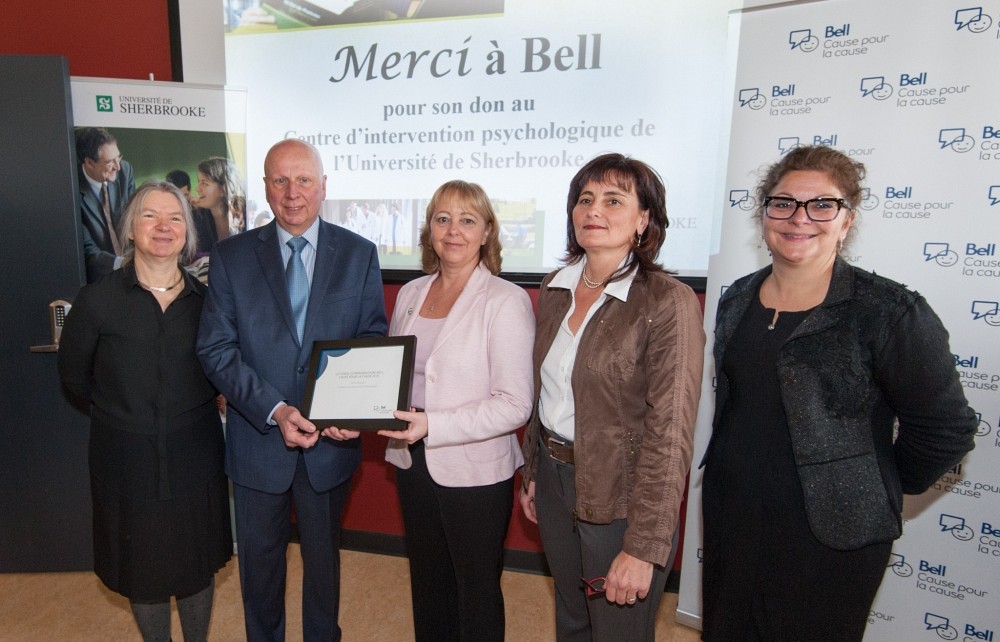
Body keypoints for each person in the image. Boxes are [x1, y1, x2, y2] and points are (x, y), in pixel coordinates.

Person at [699, 145, 978, 641]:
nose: (800, 218)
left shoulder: (890, 311)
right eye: (783, 203)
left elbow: (946, 429)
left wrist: (876, 482)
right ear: (764, 213)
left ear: (847, 220)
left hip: (833, 535)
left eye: (822, 205)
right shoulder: (737, 296)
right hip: (733, 518)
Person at [197, 139, 387, 642]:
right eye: (280, 180)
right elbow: (216, 349)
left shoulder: (358, 253)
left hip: (331, 444)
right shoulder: (232, 256)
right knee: (259, 572)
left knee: (324, 566)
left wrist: (352, 409)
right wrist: (275, 409)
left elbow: (371, 338)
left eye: (304, 180)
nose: (292, 193)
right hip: (259, 443)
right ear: (265, 188)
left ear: (324, 186)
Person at [519, 153, 705, 641]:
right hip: (555, 481)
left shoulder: (668, 302)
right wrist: (535, 469)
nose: (593, 210)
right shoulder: (555, 290)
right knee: (572, 616)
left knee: (618, 629)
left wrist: (644, 546)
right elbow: (547, 393)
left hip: (622, 496)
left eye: (613, 199)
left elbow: (670, 434)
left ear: (644, 220)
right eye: (585, 199)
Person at [58, 181, 232, 642]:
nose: (163, 227)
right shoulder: (96, 300)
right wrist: (125, 413)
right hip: (125, 460)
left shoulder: (208, 302)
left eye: (175, 218)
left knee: (195, 564)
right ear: (131, 229)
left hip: (196, 455)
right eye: (150, 216)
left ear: (187, 233)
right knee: (143, 567)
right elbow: (75, 378)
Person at [379, 180, 534, 641]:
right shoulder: (410, 294)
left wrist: (433, 424)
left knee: (476, 590)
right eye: (442, 218)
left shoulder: (505, 300)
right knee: (428, 582)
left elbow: (515, 405)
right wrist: (361, 415)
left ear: (487, 232)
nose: (453, 230)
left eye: (468, 220)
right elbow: (396, 376)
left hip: (476, 471)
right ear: (429, 229)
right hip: (411, 460)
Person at [76, 127, 135, 282]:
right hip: (98, 276)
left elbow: (134, 219)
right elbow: (86, 249)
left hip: (133, 270)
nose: (118, 167)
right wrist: (123, 264)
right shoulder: (72, 188)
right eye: (110, 162)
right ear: (89, 163)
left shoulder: (125, 171)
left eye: (118, 157)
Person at [196, 156, 245, 246]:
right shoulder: (199, 217)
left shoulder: (246, 215)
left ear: (224, 189)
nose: (197, 189)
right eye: (198, 182)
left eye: (204, 183)